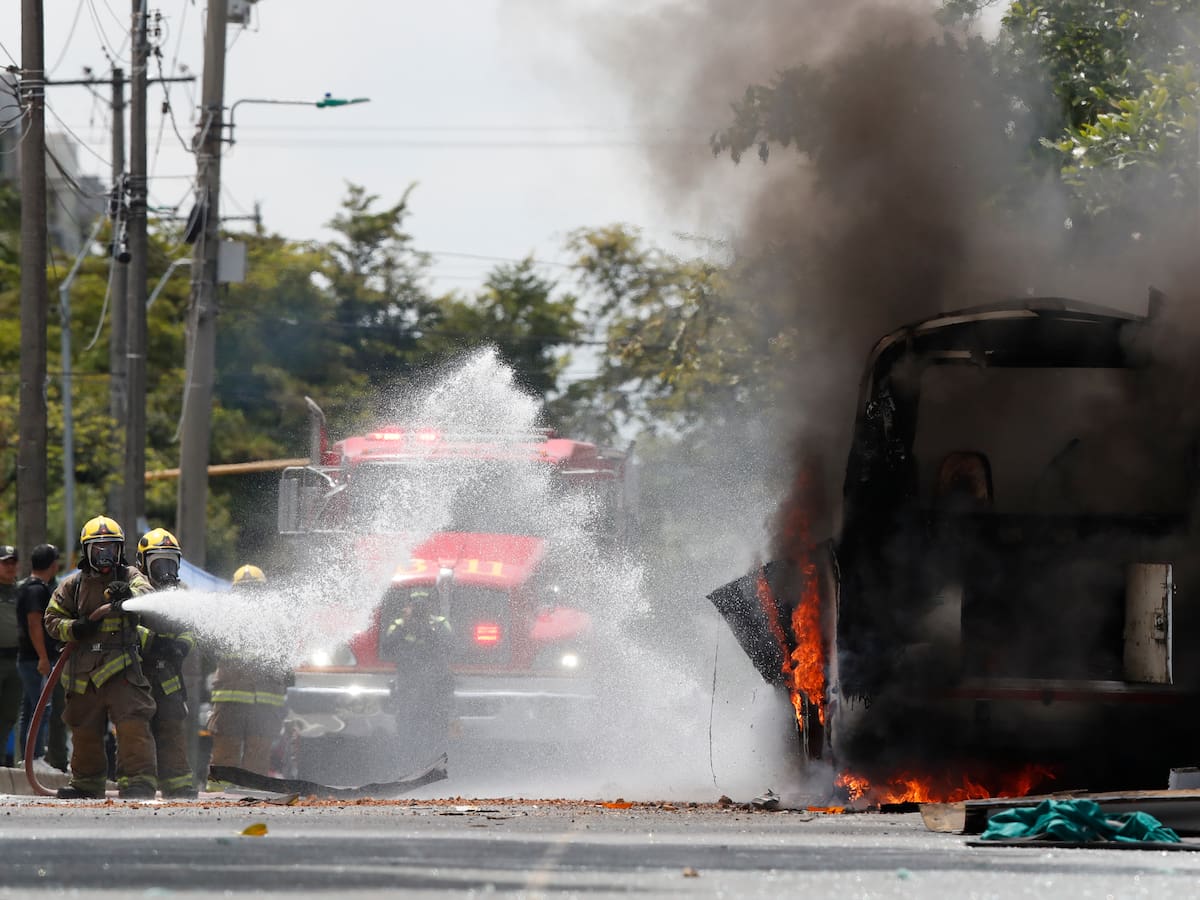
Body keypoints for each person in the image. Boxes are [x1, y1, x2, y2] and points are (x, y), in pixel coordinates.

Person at [44, 516, 157, 799]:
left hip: (123, 669)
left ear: (120, 551)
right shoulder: (73, 585)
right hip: (83, 673)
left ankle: (138, 782)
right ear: (87, 552)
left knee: (133, 724)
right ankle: (87, 783)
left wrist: (128, 593)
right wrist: (77, 627)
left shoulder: (130, 576)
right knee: (84, 728)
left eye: (111, 548)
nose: (105, 555)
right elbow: (51, 619)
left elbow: (148, 593)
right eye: (98, 549)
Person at [205, 565, 287, 789]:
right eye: (245, 591)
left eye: (255, 590)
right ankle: (216, 800)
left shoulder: (276, 620)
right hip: (232, 702)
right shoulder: (225, 618)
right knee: (225, 755)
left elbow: (286, 657)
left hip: (264, 704)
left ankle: (253, 797)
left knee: (258, 757)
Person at [135, 528, 197, 798]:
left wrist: (182, 645)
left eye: (171, 562)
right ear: (143, 563)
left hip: (169, 672)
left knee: (172, 725)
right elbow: (123, 627)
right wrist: (152, 641)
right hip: (137, 673)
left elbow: (192, 627)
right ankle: (141, 784)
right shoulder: (134, 588)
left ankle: (178, 784)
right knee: (138, 730)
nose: (166, 570)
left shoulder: (182, 593)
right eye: (159, 563)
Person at [379, 586, 453, 771]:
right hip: (408, 685)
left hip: (435, 686)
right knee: (406, 726)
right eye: (415, 603)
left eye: (424, 603)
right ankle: (406, 765)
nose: (419, 607)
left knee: (436, 726)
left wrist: (431, 628)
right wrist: (405, 624)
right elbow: (386, 647)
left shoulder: (440, 623)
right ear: (408, 605)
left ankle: (435, 763)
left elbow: (451, 645)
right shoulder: (399, 624)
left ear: (431, 605)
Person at [15, 544, 67, 772]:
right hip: (35, 659)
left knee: (30, 708)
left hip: (27, 658)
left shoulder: (29, 587)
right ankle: (35, 759)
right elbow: (35, 623)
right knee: (42, 709)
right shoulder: (37, 590)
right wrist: (43, 657)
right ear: (53, 564)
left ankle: (28, 759)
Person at [0, 546, 22, 767]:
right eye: (5, 562)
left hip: (15, 660)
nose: (9, 567)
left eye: (13, 562)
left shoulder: (21, 592)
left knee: (9, 714)